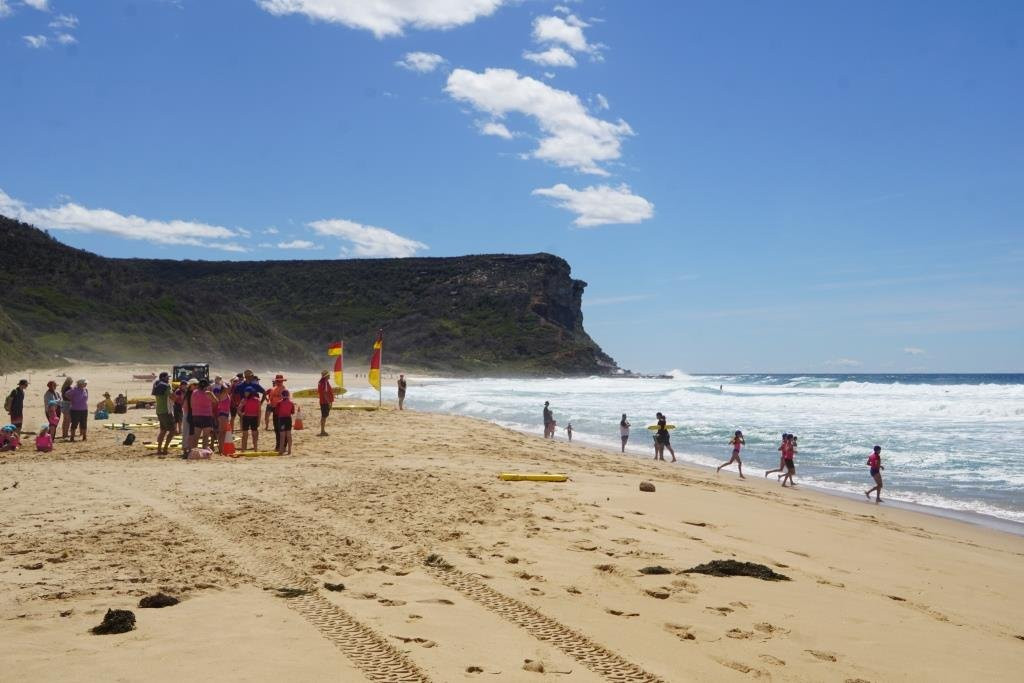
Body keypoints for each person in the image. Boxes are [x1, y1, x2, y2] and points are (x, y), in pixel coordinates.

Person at [187, 379, 216, 454]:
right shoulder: (208, 393)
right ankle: (204, 452)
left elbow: (191, 404)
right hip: (206, 416)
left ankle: (194, 452)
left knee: (196, 436)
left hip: (196, 415)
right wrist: (211, 393)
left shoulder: (194, 392)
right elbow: (216, 401)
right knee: (205, 436)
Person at [152, 372, 175, 456]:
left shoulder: (157, 384)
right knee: (172, 430)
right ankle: (165, 448)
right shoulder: (166, 386)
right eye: (167, 377)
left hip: (159, 410)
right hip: (166, 411)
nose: (168, 379)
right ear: (163, 377)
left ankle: (159, 449)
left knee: (163, 430)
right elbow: (172, 397)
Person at [275, 389, 295, 455]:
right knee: (289, 435)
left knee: (282, 436)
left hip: (282, 419)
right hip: (288, 419)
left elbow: (276, 412)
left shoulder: (279, 403)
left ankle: (281, 450)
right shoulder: (291, 403)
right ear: (288, 395)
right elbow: (292, 412)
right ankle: (289, 450)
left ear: (282, 395)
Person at [317, 370, 334, 436]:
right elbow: (324, 393)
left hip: (324, 401)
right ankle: (322, 431)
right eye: (329, 375)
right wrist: (329, 402)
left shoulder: (324, 382)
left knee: (324, 416)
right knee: (324, 416)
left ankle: (322, 430)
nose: (330, 376)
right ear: (326, 376)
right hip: (324, 402)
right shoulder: (324, 383)